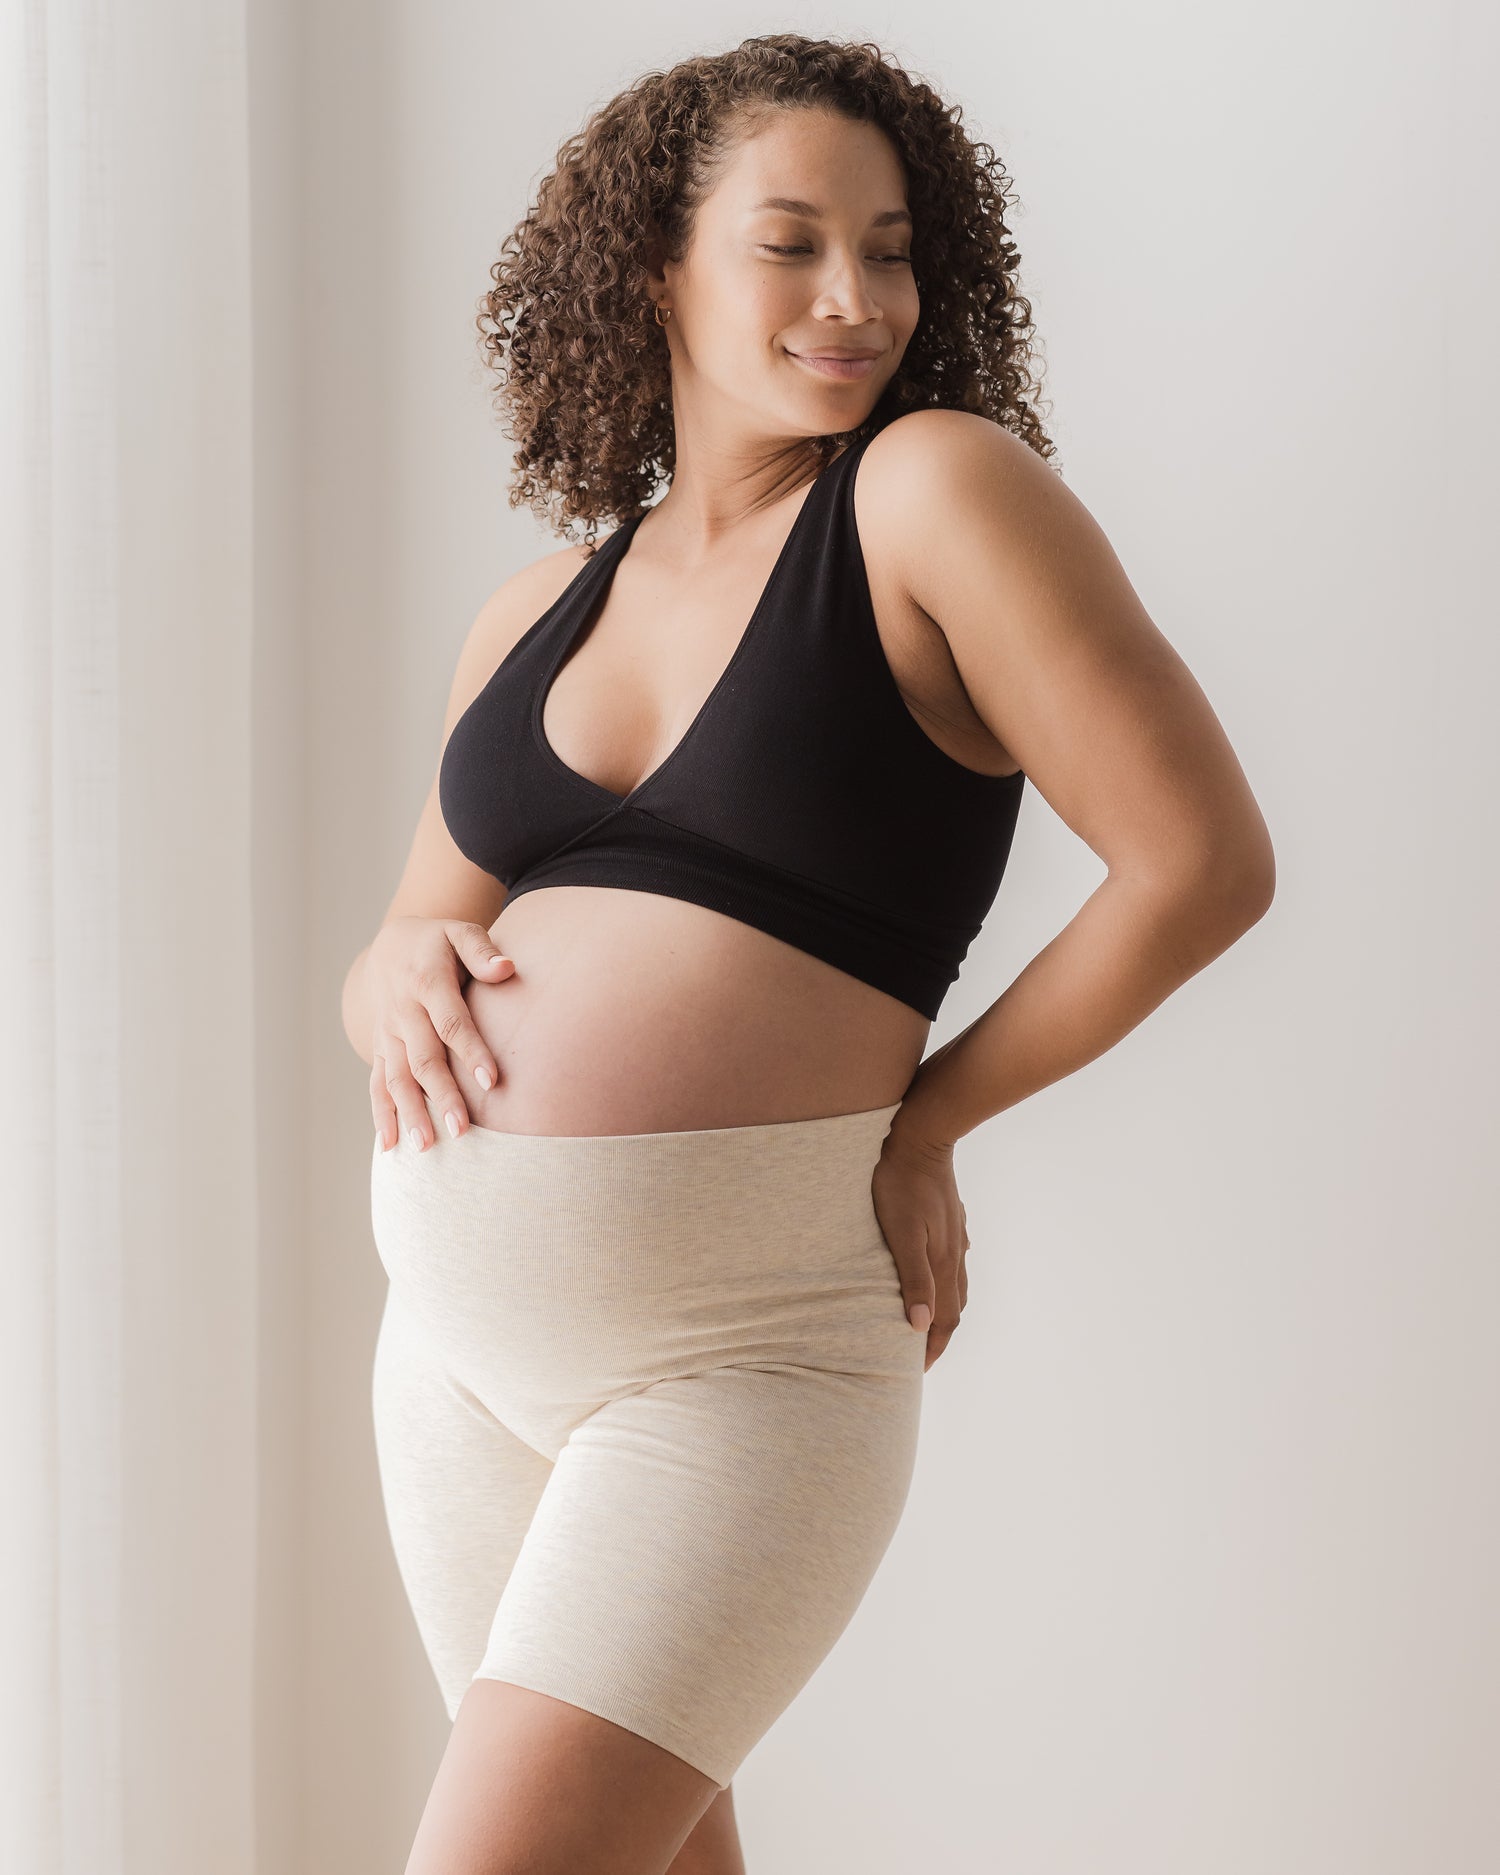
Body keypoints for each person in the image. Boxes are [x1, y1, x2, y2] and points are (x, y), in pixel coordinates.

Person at [339, 33, 1275, 1875]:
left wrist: (928, 1119)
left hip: (742, 1358)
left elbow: (1203, 865)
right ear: (655, 270)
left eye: (893, 249)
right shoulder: (536, 611)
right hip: (450, 1363)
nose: (858, 298)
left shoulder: (932, 494)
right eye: (792, 245)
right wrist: (374, 977)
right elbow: (410, 934)